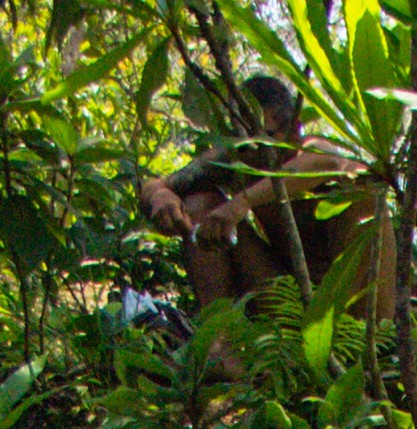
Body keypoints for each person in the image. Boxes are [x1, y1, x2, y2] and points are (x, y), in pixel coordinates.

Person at [143, 76, 397, 360]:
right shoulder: (240, 157)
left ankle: (362, 355)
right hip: (285, 303)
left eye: (269, 138)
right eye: (249, 143)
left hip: (352, 318)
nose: (260, 154)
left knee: (365, 197)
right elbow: (156, 184)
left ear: (294, 131)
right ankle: (219, 347)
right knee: (199, 203)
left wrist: (243, 202)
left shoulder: (313, 149)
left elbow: (329, 163)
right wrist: (161, 197)